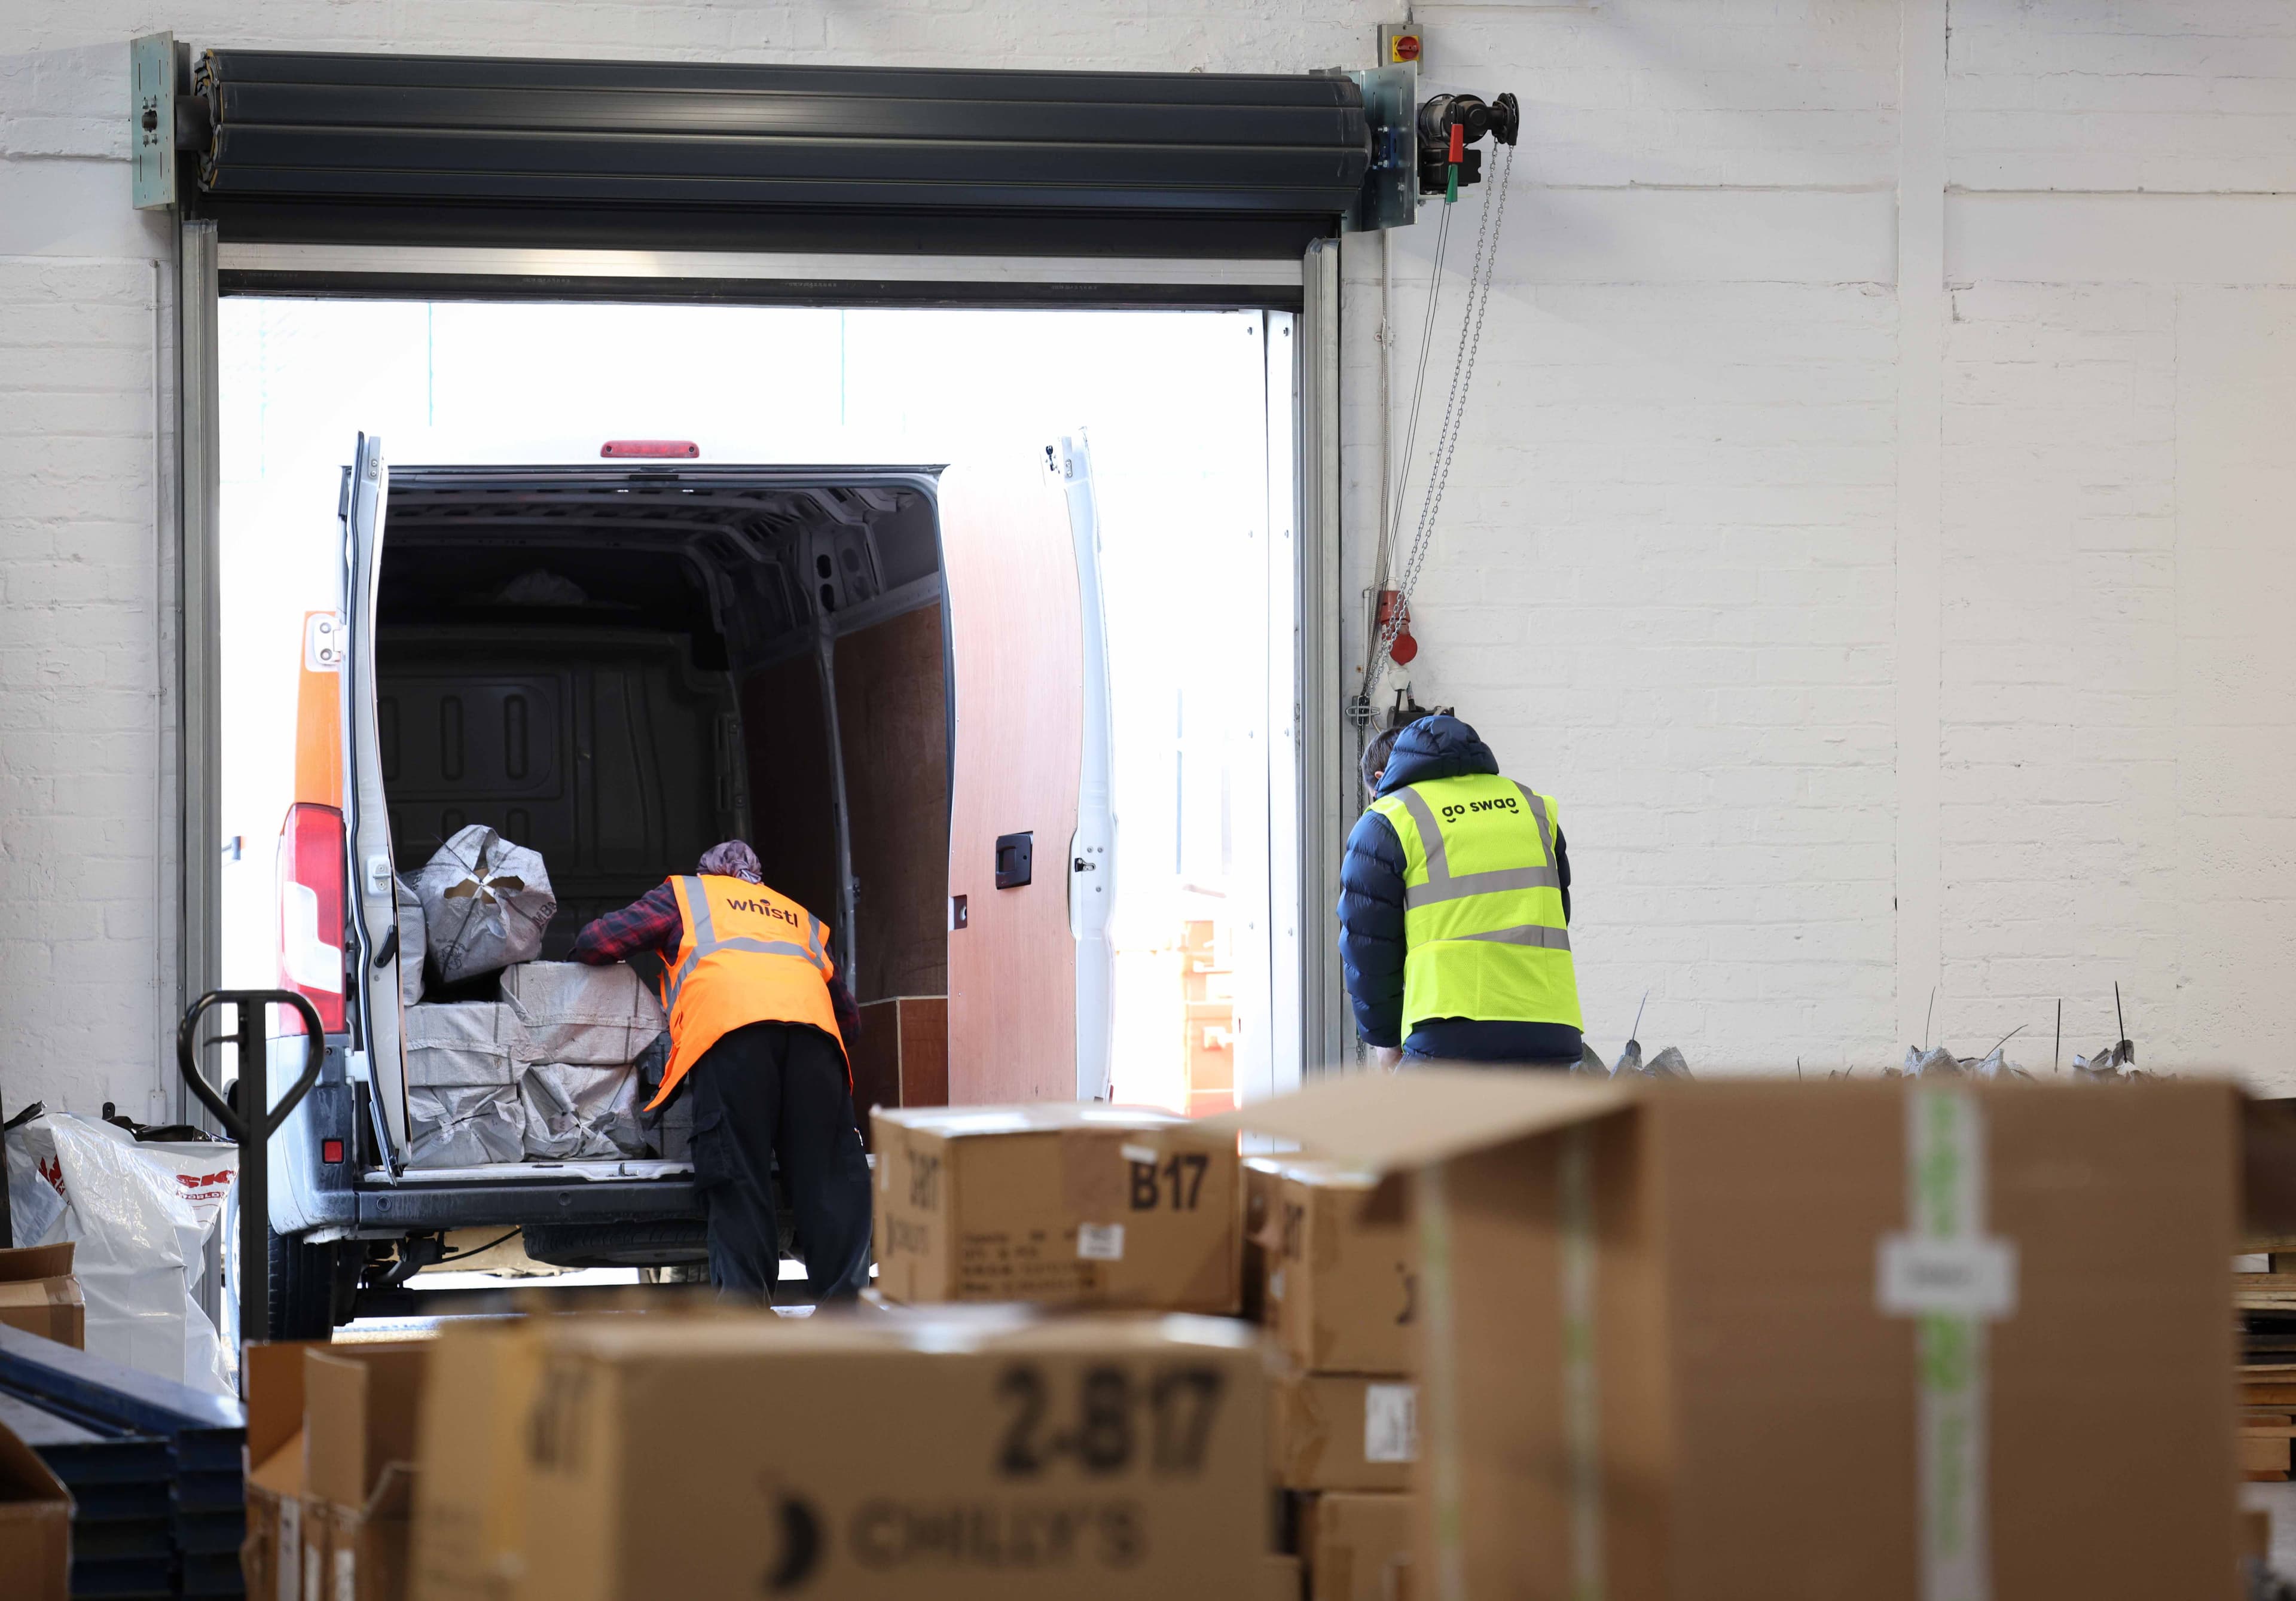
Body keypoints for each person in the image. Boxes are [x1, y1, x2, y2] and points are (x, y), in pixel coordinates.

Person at [572, 840, 872, 1300]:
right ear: (756, 877)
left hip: (733, 1039)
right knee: (831, 1179)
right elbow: (848, 1020)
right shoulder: (796, 915)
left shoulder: (687, 896)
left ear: (708, 872)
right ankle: (848, 1316)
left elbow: (598, 942)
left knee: (738, 1174)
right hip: (816, 1045)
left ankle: (747, 1319)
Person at [1338, 714, 1583, 1070]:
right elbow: (1556, 913)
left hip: (1446, 1036)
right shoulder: (1534, 808)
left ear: (1380, 781)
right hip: (1550, 1033)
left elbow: (1367, 947)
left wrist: (1385, 1040)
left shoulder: (1388, 819)